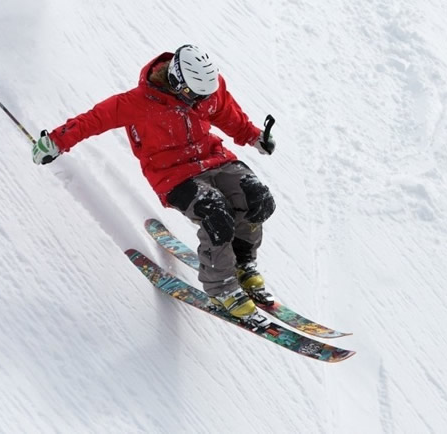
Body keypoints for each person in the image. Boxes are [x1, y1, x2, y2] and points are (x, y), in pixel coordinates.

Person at [32, 45, 276, 324]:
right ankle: (222, 287)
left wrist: (253, 136)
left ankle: (242, 263)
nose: (199, 101)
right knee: (216, 213)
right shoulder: (136, 103)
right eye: (194, 95)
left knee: (258, 199)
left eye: (204, 95)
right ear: (176, 80)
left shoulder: (207, 88)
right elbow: (93, 120)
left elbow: (225, 112)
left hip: (213, 159)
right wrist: (55, 141)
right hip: (173, 175)